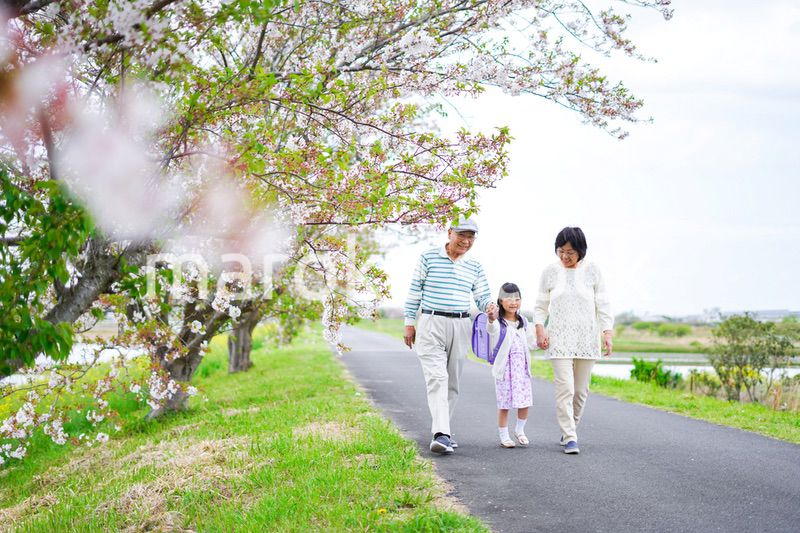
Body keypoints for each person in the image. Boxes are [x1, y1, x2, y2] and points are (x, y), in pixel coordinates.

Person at [404, 217, 496, 455]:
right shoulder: (428, 258)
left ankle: (443, 432)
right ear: (449, 233)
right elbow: (415, 290)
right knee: (437, 378)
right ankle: (441, 434)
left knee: (452, 382)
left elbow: (482, 295)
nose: (466, 241)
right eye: (461, 235)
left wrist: (490, 307)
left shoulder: (474, 265)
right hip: (431, 322)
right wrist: (409, 322)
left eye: (471, 237)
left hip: (461, 324)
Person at [534, 227, 613, 455]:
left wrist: (607, 332)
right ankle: (570, 437)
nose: (565, 256)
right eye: (561, 251)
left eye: (570, 252)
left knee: (580, 391)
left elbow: (604, 304)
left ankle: (571, 427)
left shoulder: (593, 271)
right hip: (558, 338)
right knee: (565, 389)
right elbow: (540, 306)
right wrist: (540, 330)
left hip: (586, 338)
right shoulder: (550, 271)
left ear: (581, 251)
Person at [487, 282, 536, 448]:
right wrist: (491, 319)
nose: (513, 302)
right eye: (509, 299)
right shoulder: (498, 322)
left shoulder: (524, 321)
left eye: (517, 298)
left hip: (521, 369)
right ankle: (504, 435)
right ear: (500, 301)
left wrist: (542, 342)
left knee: (524, 402)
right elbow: (491, 330)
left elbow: (531, 343)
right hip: (505, 370)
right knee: (504, 404)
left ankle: (520, 430)